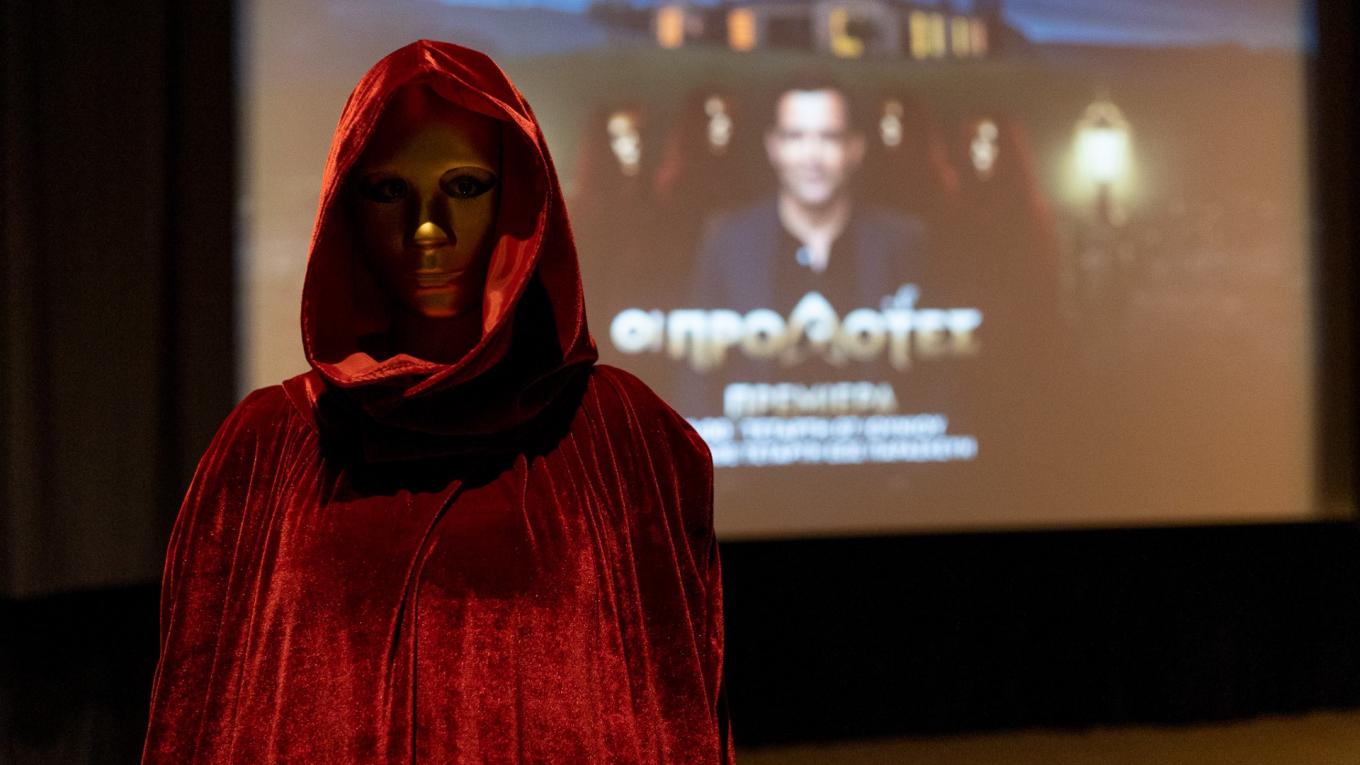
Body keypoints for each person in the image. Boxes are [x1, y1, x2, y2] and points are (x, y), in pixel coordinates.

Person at [141, 40, 731, 764]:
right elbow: (203, 718)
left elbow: (675, 714)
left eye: (466, 185)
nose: (428, 228)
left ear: (521, 198)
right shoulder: (266, 447)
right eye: (389, 191)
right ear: (346, 208)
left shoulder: (625, 438)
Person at [692, 78, 927, 313]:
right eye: (795, 136)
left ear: (855, 149)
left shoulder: (903, 242)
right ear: (773, 147)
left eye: (830, 137)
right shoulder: (728, 241)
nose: (812, 157)